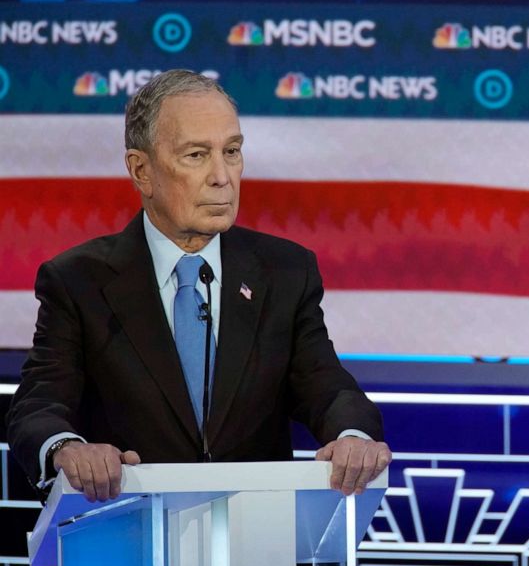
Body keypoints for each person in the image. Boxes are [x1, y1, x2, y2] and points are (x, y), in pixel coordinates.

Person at [6, 70, 391, 505]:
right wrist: (66, 447)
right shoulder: (78, 281)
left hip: (256, 544)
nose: (222, 176)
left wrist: (351, 435)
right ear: (141, 170)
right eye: (196, 155)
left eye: (231, 151)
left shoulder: (284, 272)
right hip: (126, 542)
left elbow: (326, 385)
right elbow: (39, 405)